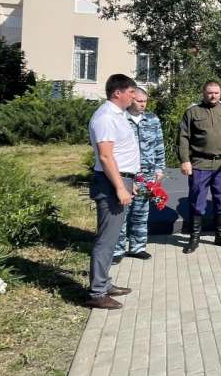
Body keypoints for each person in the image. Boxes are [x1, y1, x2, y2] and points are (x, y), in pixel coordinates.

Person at [85, 74, 137, 309]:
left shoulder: (118, 115)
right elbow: (106, 157)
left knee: (113, 236)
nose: (134, 95)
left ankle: (105, 284)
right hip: (109, 183)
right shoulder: (105, 117)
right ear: (117, 93)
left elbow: (122, 154)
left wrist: (129, 181)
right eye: (131, 91)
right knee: (106, 239)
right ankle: (97, 293)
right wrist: (119, 186)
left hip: (120, 179)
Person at [178, 81, 221, 253]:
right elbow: (183, 137)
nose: (213, 96)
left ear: (220, 93)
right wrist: (185, 160)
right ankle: (194, 238)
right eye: (210, 93)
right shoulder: (193, 111)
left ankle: (220, 236)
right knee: (197, 200)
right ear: (203, 92)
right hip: (200, 163)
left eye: (216, 93)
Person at [113, 87, 165, 264]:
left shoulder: (152, 119)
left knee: (141, 212)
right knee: (122, 212)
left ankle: (137, 247)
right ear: (131, 99)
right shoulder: (120, 119)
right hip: (126, 173)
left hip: (148, 173)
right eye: (139, 101)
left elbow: (159, 145)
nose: (143, 104)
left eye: (145, 101)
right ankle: (117, 249)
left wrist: (160, 168)